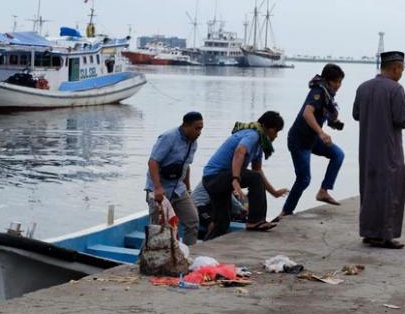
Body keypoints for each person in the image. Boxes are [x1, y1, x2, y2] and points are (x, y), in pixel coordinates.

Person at [353, 51, 405, 249]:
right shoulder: (396, 89)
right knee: (391, 190)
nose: (402, 73)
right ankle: (385, 235)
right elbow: (401, 120)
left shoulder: (363, 87)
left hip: (367, 150)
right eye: (402, 69)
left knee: (369, 190)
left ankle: (369, 232)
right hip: (389, 149)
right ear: (396, 68)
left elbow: (356, 114)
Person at [201, 110, 289, 239]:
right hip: (215, 177)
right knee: (255, 178)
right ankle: (255, 220)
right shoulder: (253, 134)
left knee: (222, 223)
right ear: (265, 126)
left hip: (214, 180)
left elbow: (257, 170)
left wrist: (274, 192)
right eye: (275, 131)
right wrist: (236, 179)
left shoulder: (260, 144)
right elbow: (240, 151)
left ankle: (206, 247)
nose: (276, 135)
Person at [278, 63, 346, 220]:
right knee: (304, 179)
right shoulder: (318, 91)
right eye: (335, 81)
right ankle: (286, 212)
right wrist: (321, 132)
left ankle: (323, 191)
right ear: (327, 80)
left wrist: (334, 123)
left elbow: (323, 115)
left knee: (338, 155)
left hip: (313, 139)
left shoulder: (328, 96)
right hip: (299, 140)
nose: (338, 85)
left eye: (340, 82)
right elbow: (307, 113)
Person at [145, 111, 204, 245]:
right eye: (197, 128)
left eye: (201, 129)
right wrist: (157, 188)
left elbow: (186, 166)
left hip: (178, 189)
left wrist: (188, 189)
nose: (199, 132)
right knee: (158, 230)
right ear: (186, 126)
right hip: (160, 189)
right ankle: (147, 256)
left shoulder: (193, 143)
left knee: (193, 221)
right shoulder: (169, 138)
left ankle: (188, 253)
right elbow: (153, 162)